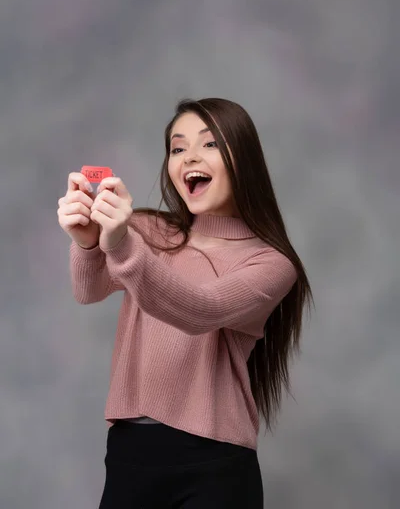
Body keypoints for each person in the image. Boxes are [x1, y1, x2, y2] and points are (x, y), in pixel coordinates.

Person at [57, 98, 312, 508]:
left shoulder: (271, 263)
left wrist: (120, 244)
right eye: (178, 148)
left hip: (215, 463)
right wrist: (87, 242)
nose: (189, 156)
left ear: (243, 160)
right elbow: (88, 291)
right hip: (130, 451)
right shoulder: (147, 230)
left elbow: (201, 310)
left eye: (210, 144)